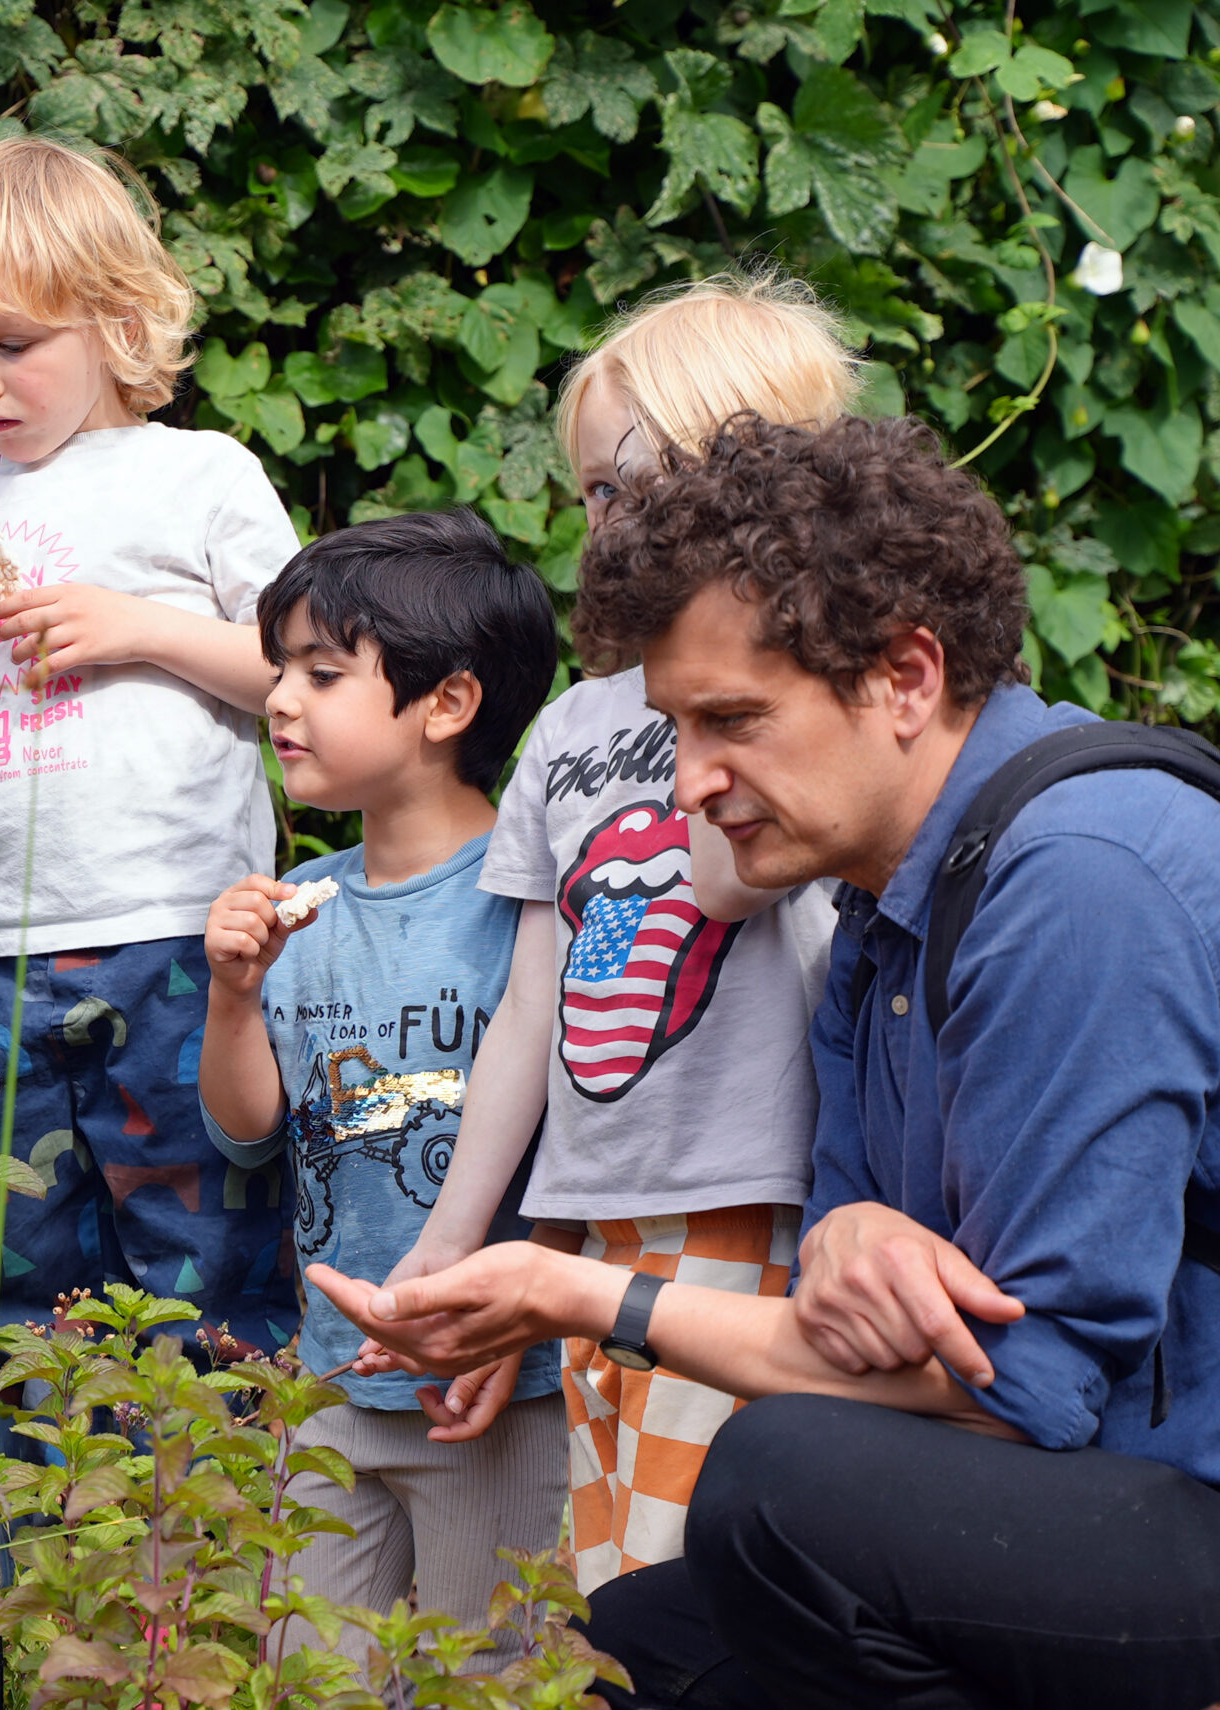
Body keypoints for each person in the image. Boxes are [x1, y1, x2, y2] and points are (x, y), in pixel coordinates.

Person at [314, 413, 1220, 1710]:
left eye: (733, 719)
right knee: (632, 1647)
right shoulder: (883, 907)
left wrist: (579, 1293)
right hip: (1114, 1494)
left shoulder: (1075, 880)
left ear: (907, 676)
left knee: (779, 1482)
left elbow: (1018, 1395)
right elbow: (862, 1286)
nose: (689, 780)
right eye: (675, 726)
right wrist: (855, 1225)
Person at [363, 273, 851, 1591]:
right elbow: (532, 1003)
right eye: (595, 493)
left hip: (737, 1206)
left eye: (644, 488)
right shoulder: (575, 727)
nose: (607, 526)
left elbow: (730, 878)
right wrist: (454, 1237)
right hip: (587, 1221)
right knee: (606, 1573)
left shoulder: (792, 706)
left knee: (688, 1570)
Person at [0, 135, 302, 1359]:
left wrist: (140, 631)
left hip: (172, 930)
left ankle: (216, 1539)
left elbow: (300, 677)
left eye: (14, 346)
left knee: (205, 1260)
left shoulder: (198, 476)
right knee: (23, 1280)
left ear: (116, 322)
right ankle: (47, 1532)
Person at [197, 509, 566, 1675]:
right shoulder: (299, 904)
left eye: (321, 673)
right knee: (311, 1675)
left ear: (446, 704)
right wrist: (232, 998)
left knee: (482, 1675)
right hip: (330, 1384)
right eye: (279, 673)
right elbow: (247, 1133)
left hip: (496, 1393)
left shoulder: (530, 897)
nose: (281, 703)